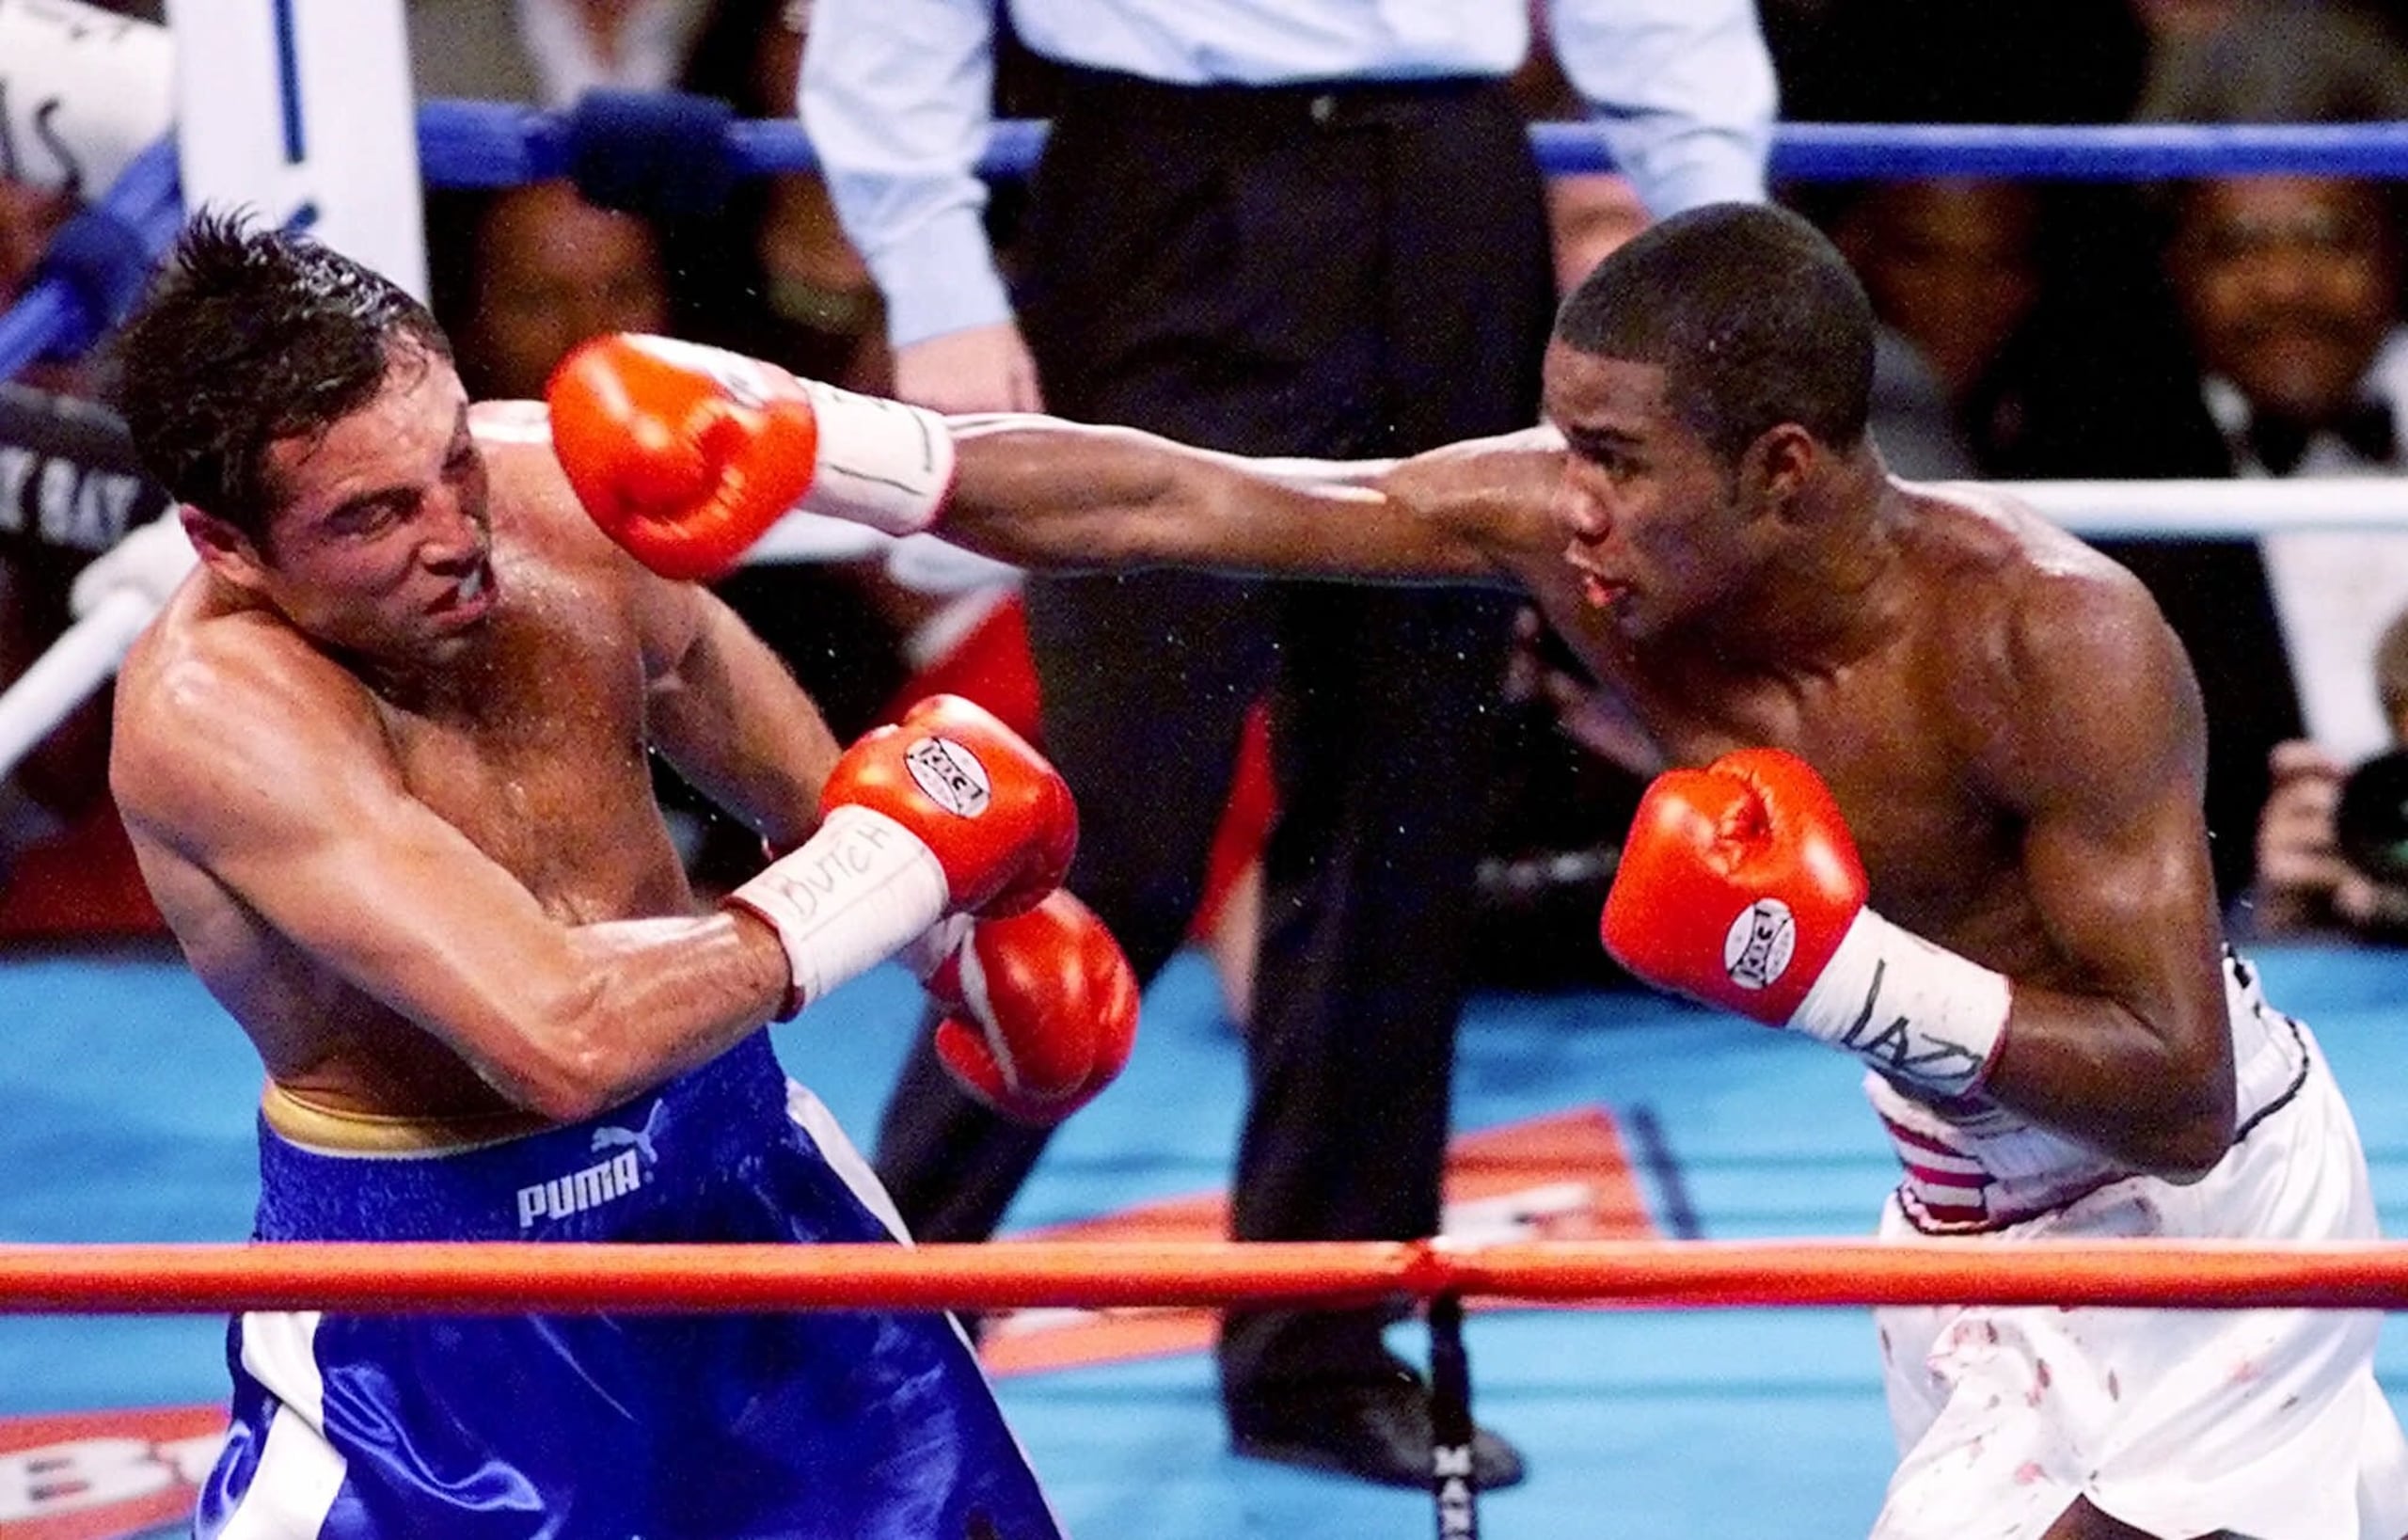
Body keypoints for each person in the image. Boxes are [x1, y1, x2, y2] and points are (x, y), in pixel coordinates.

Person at [549, 200, 2408, 1537]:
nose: (1562, 503)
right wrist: (836, 452)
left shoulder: (2047, 642)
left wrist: (1836, 971)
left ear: (1779, 471)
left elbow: (2171, 1088)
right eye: (1559, 442)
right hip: (1948, 1207)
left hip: (2205, 1221)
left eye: (1613, 460)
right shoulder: (1573, 532)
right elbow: (1180, 496)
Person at [799, 0, 1777, 1488]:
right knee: (1111, 827)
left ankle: (1317, 1342)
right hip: (1161, 194)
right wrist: (935, 280)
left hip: (1453, 191)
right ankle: (883, 1305)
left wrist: (1719, 264)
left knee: (1403, 803)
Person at [94, 214, 1137, 1539]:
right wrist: (895, 871)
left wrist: (946, 930)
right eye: (371, 514)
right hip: (436, 1311)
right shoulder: (217, 714)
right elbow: (563, 1037)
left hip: (745, 1179)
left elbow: (687, 660)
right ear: (224, 542)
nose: (455, 529)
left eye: (452, 459)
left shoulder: (547, 485)